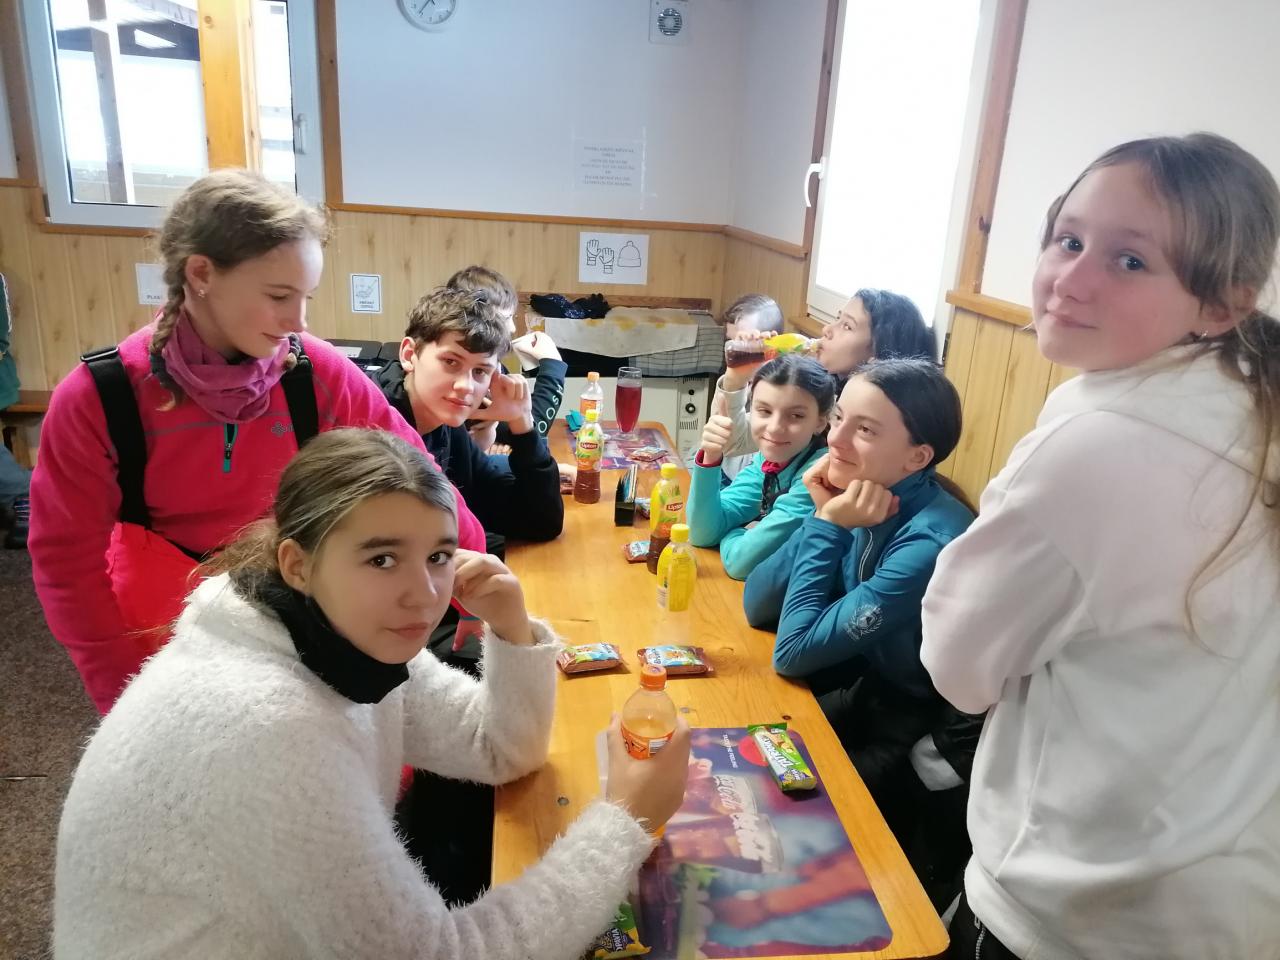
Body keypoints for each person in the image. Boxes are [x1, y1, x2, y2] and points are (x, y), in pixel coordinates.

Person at [53, 428, 692, 960]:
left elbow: (498, 748)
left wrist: (513, 628)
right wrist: (625, 820)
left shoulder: (335, 633)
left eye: (439, 556)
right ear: (297, 564)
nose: (424, 595)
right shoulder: (264, 723)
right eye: (382, 559)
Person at [920, 133, 1280, 959]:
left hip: (1081, 908)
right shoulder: (1248, 406)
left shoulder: (1094, 450)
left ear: (1221, 306)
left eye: (1130, 261)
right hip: (1232, 904)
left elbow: (956, 666)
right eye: (1068, 239)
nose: (1070, 280)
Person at [27, 169, 485, 715]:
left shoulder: (316, 371)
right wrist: (120, 691)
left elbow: (421, 476)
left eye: (306, 297)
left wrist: (472, 585)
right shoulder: (99, 395)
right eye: (279, 296)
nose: (298, 320)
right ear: (201, 273)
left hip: (287, 600)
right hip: (157, 624)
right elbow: (67, 565)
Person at [741, 359, 975, 904]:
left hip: (922, 727)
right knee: (745, 767)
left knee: (791, 839)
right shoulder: (866, 496)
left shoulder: (931, 541)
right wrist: (821, 516)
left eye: (865, 430)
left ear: (918, 457)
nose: (835, 439)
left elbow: (792, 653)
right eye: (840, 418)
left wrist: (828, 527)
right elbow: (757, 603)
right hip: (871, 689)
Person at [373, 286, 563, 544]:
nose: (466, 386)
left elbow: (540, 522)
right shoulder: (375, 427)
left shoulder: (447, 425)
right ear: (409, 355)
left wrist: (522, 422)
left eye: (480, 371)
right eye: (451, 362)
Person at [712, 289, 935, 464]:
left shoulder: (873, 423)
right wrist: (736, 378)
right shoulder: (820, 390)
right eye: (837, 318)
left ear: (876, 355)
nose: (827, 329)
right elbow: (733, 442)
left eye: (847, 326)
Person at [687, 354, 833, 580]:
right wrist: (711, 457)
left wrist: (737, 531)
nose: (774, 428)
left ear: (820, 422)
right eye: (764, 411)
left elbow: (740, 563)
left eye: (796, 416)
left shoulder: (821, 473)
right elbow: (701, 533)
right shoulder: (769, 461)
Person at [445, 264, 568, 445]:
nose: (512, 328)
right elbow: (531, 433)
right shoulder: (471, 380)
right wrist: (553, 365)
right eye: (505, 319)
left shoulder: (493, 367)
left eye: (512, 317)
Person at [714, 294, 785, 480]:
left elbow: (732, 444)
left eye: (747, 342)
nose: (735, 352)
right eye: (731, 342)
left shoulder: (782, 391)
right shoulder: (732, 380)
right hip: (724, 470)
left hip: (746, 482)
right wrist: (733, 382)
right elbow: (718, 435)